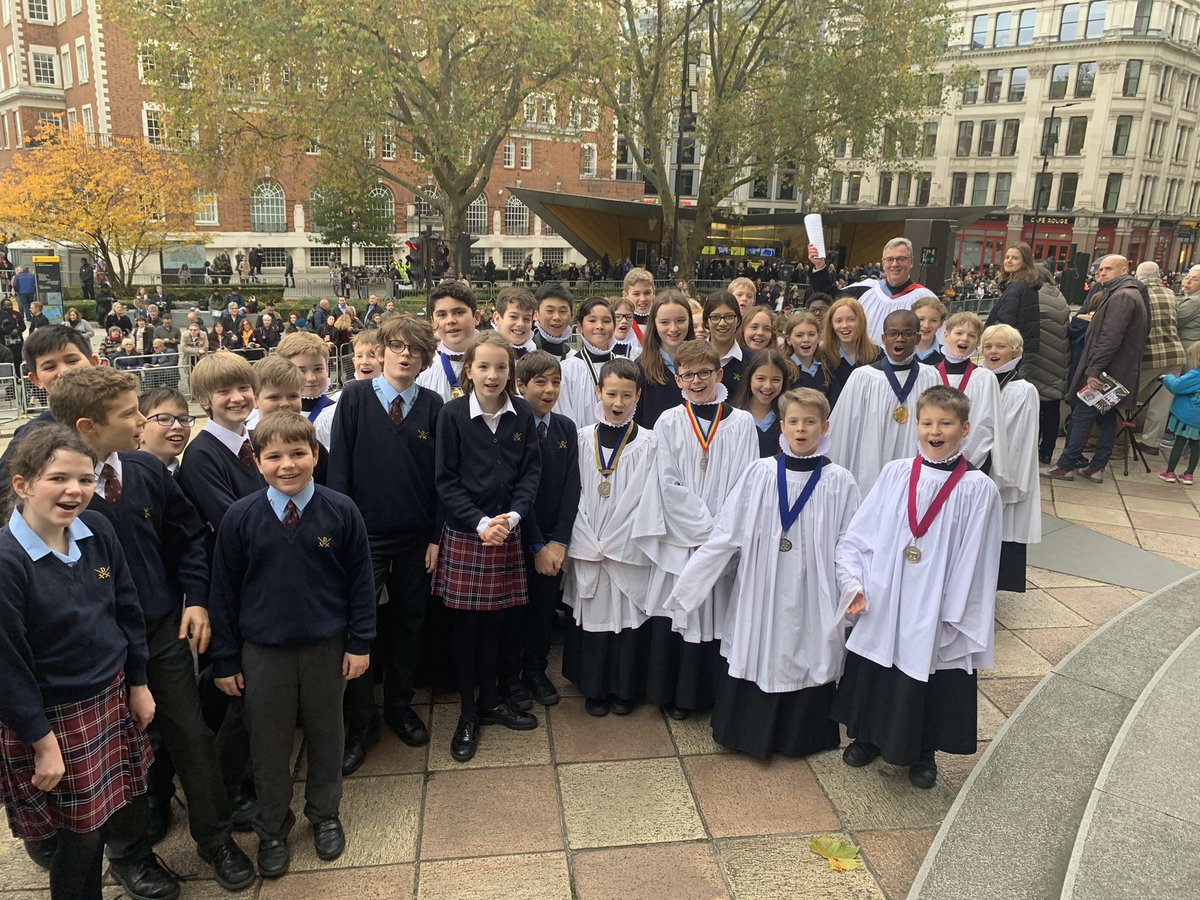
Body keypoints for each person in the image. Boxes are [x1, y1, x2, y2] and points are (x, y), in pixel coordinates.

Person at [47, 369, 255, 896]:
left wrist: (198, 599)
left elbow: (187, 539)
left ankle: (216, 838)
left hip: (159, 628)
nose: (141, 421)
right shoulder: (61, 490)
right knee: (116, 749)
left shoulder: (144, 470)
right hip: (95, 646)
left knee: (189, 730)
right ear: (88, 426)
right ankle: (131, 854)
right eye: (129, 414)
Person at [209, 412, 376, 878]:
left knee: (328, 734)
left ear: (316, 456)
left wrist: (360, 643)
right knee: (269, 744)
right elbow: (222, 593)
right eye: (274, 456)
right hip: (263, 653)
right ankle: (272, 827)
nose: (288, 464)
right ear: (257, 461)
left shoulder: (341, 510)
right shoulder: (240, 518)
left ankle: (324, 814)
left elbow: (362, 585)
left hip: (327, 647)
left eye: (298, 453)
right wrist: (225, 658)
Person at [0, 425, 153, 900]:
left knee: (106, 816)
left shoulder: (98, 530)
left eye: (85, 479)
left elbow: (126, 607)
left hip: (108, 695)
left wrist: (139, 682)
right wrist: (40, 739)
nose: (75, 491)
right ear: (22, 484)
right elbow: (7, 662)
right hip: (52, 714)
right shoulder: (7, 560)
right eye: (58, 478)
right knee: (79, 834)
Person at [664, 388, 859, 757]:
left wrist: (852, 586)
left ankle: (802, 735)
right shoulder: (761, 472)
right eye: (793, 421)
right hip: (763, 583)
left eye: (810, 422)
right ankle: (746, 732)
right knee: (758, 644)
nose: (801, 429)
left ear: (825, 426)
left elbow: (850, 541)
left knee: (807, 647)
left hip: (811, 586)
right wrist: (689, 586)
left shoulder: (840, 481)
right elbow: (726, 533)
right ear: (781, 426)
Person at [833, 385, 1002, 789]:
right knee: (877, 662)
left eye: (945, 423)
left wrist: (954, 609)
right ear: (916, 426)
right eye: (927, 422)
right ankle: (867, 735)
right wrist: (855, 580)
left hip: (937, 598)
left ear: (964, 429)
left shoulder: (978, 489)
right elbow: (862, 532)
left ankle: (924, 751)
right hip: (887, 591)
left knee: (929, 671)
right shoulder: (896, 473)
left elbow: (978, 558)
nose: (935, 431)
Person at [328, 316, 444, 768]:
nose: (404, 354)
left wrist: (435, 536)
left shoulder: (434, 405)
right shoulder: (355, 398)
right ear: (381, 351)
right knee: (361, 626)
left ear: (424, 358)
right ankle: (361, 723)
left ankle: (399, 704)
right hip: (364, 537)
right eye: (396, 346)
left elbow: (441, 479)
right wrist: (342, 534)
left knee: (411, 622)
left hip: (416, 537)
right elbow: (339, 474)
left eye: (414, 349)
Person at [433, 332, 541, 762]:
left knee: (498, 623)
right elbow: (445, 480)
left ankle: (492, 701)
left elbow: (531, 472)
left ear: (511, 372)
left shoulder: (523, 415)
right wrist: (480, 522)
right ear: (469, 372)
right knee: (465, 629)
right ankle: (467, 714)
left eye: (501, 367)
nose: (492, 375)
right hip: (468, 533)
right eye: (484, 367)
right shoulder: (452, 415)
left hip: (507, 530)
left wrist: (512, 517)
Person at [637, 339, 758, 720]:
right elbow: (666, 483)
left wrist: (722, 535)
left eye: (704, 372)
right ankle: (678, 694)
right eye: (688, 374)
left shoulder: (742, 423)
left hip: (724, 539)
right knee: (681, 611)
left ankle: (711, 693)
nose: (696, 380)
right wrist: (706, 529)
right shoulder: (669, 422)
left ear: (719, 374)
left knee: (716, 611)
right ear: (677, 380)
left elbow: (747, 482)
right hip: (683, 537)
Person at [562, 358, 657, 715]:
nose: (618, 404)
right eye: (611, 394)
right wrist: (587, 538)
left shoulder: (649, 443)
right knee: (594, 612)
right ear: (598, 392)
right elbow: (573, 493)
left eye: (627, 396)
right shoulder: (581, 438)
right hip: (589, 540)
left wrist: (617, 540)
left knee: (627, 615)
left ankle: (624, 688)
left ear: (638, 397)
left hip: (627, 546)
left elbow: (649, 498)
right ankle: (595, 687)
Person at [503, 350, 581, 709]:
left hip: (553, 541)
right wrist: (537, 545)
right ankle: (509, 675)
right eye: (540, 382)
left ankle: (535, 668)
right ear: (520, 385)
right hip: (519, 539)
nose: (549, 390)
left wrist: (559, 541)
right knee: (514, 609)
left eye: (555, 381)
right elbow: (519, 493)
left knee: (543, 607)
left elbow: (571, 488)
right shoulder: (509, 427)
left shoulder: (565, 427)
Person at [1046, 255, 1148, 483]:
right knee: (1106, 417)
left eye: (1108, 269)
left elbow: (1110, 338)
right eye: (1100, 269)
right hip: (1115, 372)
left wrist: (1094, 371)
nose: (1101, 273)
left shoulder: (1122, 296)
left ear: (1124, 270)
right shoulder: (1125, 293)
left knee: (1083, 413)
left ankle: (1066, 466)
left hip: (1105, 373)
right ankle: (1096, 467)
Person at [827, 309, 940, 494]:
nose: (900, 339)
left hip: (916, 470)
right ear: (883, 338)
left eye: (908, 333)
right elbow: (843, 430)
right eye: (893, 333)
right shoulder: (863, 377)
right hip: (870, 468)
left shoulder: (930, 376)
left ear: (918, 338)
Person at [980, 324, 1042, 592]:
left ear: (1016, 351)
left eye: (1000, 346)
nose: (993, 351)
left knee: (1000, 530)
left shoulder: (1023, 390)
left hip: (1002, 469)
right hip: (976, 461)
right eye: (988, 346)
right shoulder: (979, 379)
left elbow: (1017, 438)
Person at [808, 239, 938, 343]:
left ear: (911, 262)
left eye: (901, 259)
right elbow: (830, 297)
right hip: (866, 366)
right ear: (883, 263)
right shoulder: (865, 289)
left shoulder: (925, 299)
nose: (894, 264)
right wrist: (819, 265)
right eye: (889, 259)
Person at [937, 312, 1006, 474]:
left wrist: (971, 455)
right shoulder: (929, 374)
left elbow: (990, 422)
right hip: (934, 454)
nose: (964, 339)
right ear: (946, 335)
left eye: (971, 335)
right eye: (959, 333)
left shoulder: (985, 378)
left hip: (973, 459)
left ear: (978, 341)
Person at [1132, 261, 1185, 455]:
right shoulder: (1170, 294)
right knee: (1161, 404)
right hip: (1175, 354)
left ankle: (1116, 439)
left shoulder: (1139, 294)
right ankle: (1151, 443)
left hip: (1151, 355)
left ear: (1138, 276)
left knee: (1125, 396)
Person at [1024, 265, 1071, 465]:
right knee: (1052, 410)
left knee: (1033, 411)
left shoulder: (1034, 297)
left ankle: (1031, 451)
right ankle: (1046, 452)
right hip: (1058, 360)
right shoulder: (1058, 295)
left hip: (1038, 361)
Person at [634, 291, 696, 427]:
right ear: (654, 324)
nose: (673, 328)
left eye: (680, 320)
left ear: (690, 320)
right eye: (664, 322)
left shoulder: (702, 364)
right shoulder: (641, 368)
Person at [416, 281, 482, 401]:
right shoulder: (423, 365)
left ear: (476, 317)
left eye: (459, 312)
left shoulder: (495, 358)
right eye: (442, 315)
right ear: (433, 322)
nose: (450, 320)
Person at [732, 349, 796, 457]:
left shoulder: (788, 418)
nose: (767, 386)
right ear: (750, 378)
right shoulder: (734, 417)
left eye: (775, 380)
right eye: (761, 378)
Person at [820, 296, 879, 408]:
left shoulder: (877, 355)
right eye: (838, 321)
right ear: (831, 325)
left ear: (861, 321)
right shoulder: (822, 356)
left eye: (851, 319)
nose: (845, 325)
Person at [986, 243, 1041, 356]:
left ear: (1025, 262)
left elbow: (1004, 323)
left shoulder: (1017, 288)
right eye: (1007, 257)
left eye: (1015, 258)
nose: (1009, 261)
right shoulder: (1026, 285)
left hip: (1008, 351)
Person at [1159, 340, 1200, 485]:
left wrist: (1167, 378)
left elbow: (1176, 386)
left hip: (1186, 416)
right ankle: (1189, 475)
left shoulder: (1195, 375)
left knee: (1179, 442)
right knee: (1196, 446)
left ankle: (1169, 472)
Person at [138, 386, 195, 474]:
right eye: (164, 419)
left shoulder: (189, 474)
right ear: (139, 430)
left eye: (183, 419)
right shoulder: (125, 478)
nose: (178, 425)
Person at [783, 310, 831, 395]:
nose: (806, 340)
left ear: (819, 338)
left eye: (811, 334)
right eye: (799, 335)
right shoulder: (783, 369)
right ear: (789, 340)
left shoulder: (826, 366)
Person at [704, 291, 745, 387]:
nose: (722, 323)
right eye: (715, 317)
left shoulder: (751, 361)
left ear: (738, 321)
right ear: (706, 322)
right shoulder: (692, 358)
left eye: (729, 316)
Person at [622, 267, 656, 349]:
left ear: (654, 293)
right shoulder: (620, 323)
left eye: (647, 293)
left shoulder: (660, 320)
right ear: (625, 295)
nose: (643, 299)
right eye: (636, 294)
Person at [912, 297, 947, 365]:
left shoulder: (947, 355)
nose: (926, 325)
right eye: (921, 319)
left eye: (933, 320)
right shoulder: (901, 352)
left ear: (941, 323)